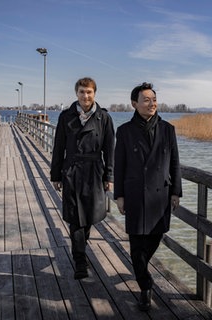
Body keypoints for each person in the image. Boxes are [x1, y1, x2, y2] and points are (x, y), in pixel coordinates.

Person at [114, 82, 182, 311]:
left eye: (154, 99)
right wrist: (119, 196)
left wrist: (176, 191)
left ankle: (142, 276)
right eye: (146, 99)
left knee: (155, 237)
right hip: (134, 194)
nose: (152, 103)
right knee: (136, 245)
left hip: (160, 195)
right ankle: (145, 287)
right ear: (134, 104)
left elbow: (175, 163)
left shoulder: (168, 129)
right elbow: (119, 165)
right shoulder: (124, 131)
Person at [50, 77, 115, 280]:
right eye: (81, 92)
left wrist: (109, 175)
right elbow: (58, 147)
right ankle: (79, 260)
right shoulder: (65, 117)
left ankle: (81, 245)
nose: (85, 96)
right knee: (75, 217)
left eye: (89, 92)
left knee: (89, 216)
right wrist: (56, 175)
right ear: (76, 93)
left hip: (95, 171)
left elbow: (109, 150)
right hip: (71, 171)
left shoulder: (104, 118)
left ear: (94, 93)